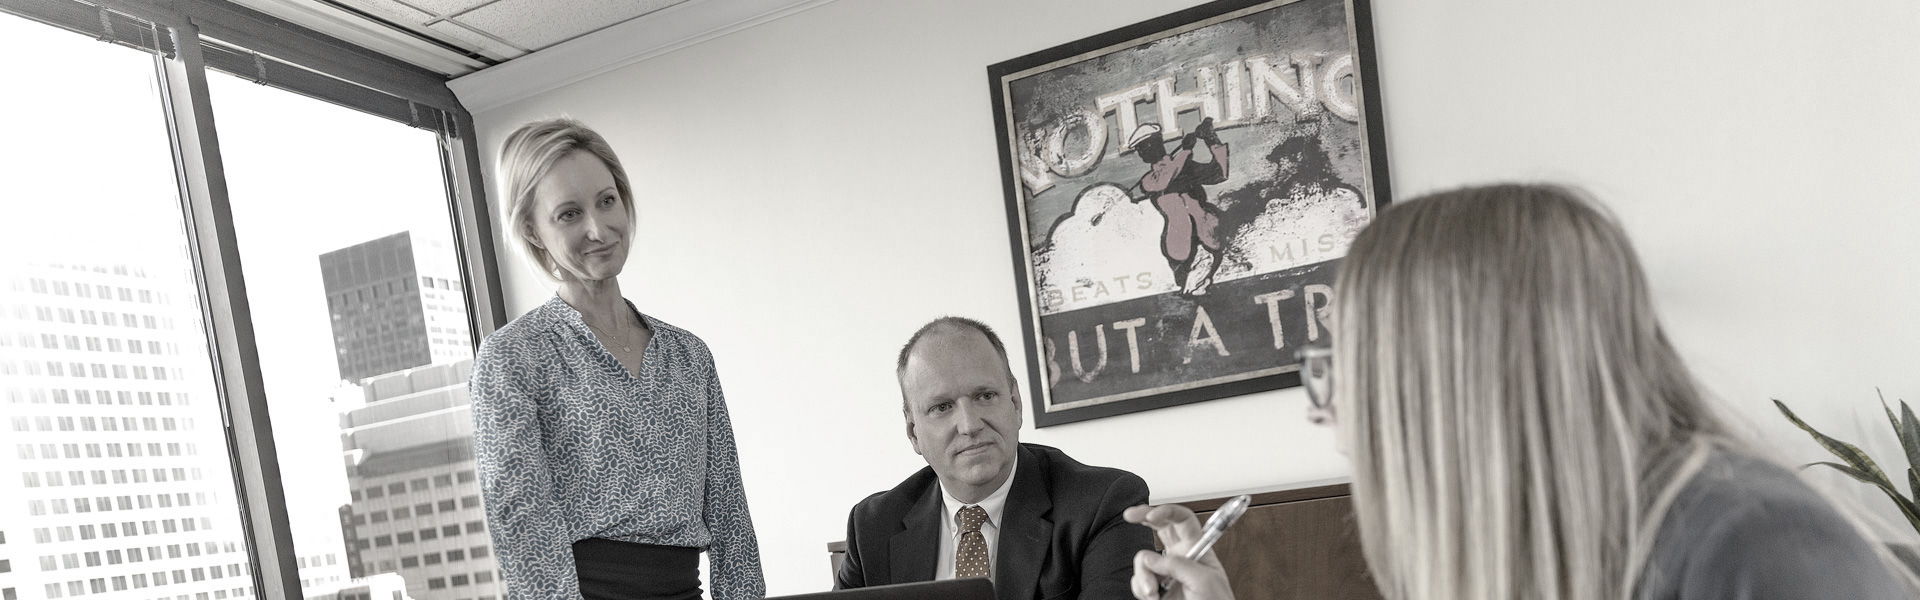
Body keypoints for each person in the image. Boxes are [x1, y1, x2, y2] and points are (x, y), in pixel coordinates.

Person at [1124, 184, 1919, 600]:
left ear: (1459, 370)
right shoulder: (1525, 534)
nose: (1324, 410)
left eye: (1358, 365)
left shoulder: (1747, 540)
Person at [469, 117, 763, 600]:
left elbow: (730, 515)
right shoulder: (513, 357)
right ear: (533, 231)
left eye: (607, 201)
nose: (598, 228)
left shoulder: (689, 356)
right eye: (568, 213)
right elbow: (525, 533)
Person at [836, 317, 1156, 600]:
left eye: (985, 396)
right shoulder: (873, 526)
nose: (970, 425)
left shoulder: (1105, 504)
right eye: (942, 407)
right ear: (913, 432)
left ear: (1015, 403)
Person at [1130, 117, 1229, 296]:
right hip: (1179, 244)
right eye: (1139, 149)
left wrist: (1211, 139)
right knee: (1188, 292)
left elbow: (1219, 174)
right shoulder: (1148, 180)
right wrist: (1185, 151)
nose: (1142, 152)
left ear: (1158, 143)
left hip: (1208, 233)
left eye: (1146, 146)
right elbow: (1165, 179)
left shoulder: (1185, 167)